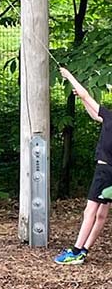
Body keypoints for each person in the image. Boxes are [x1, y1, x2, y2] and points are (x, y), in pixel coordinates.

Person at [54, 67, 112, 265]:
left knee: (90, 211)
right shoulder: (108, 118)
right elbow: (96, 115)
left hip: (104, 172)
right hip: (110, 174)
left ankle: (76, 251)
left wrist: (69, 75)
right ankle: (84, 251)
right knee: (102, 214)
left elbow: (89, 97)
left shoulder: (111, 117)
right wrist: (82, 99)